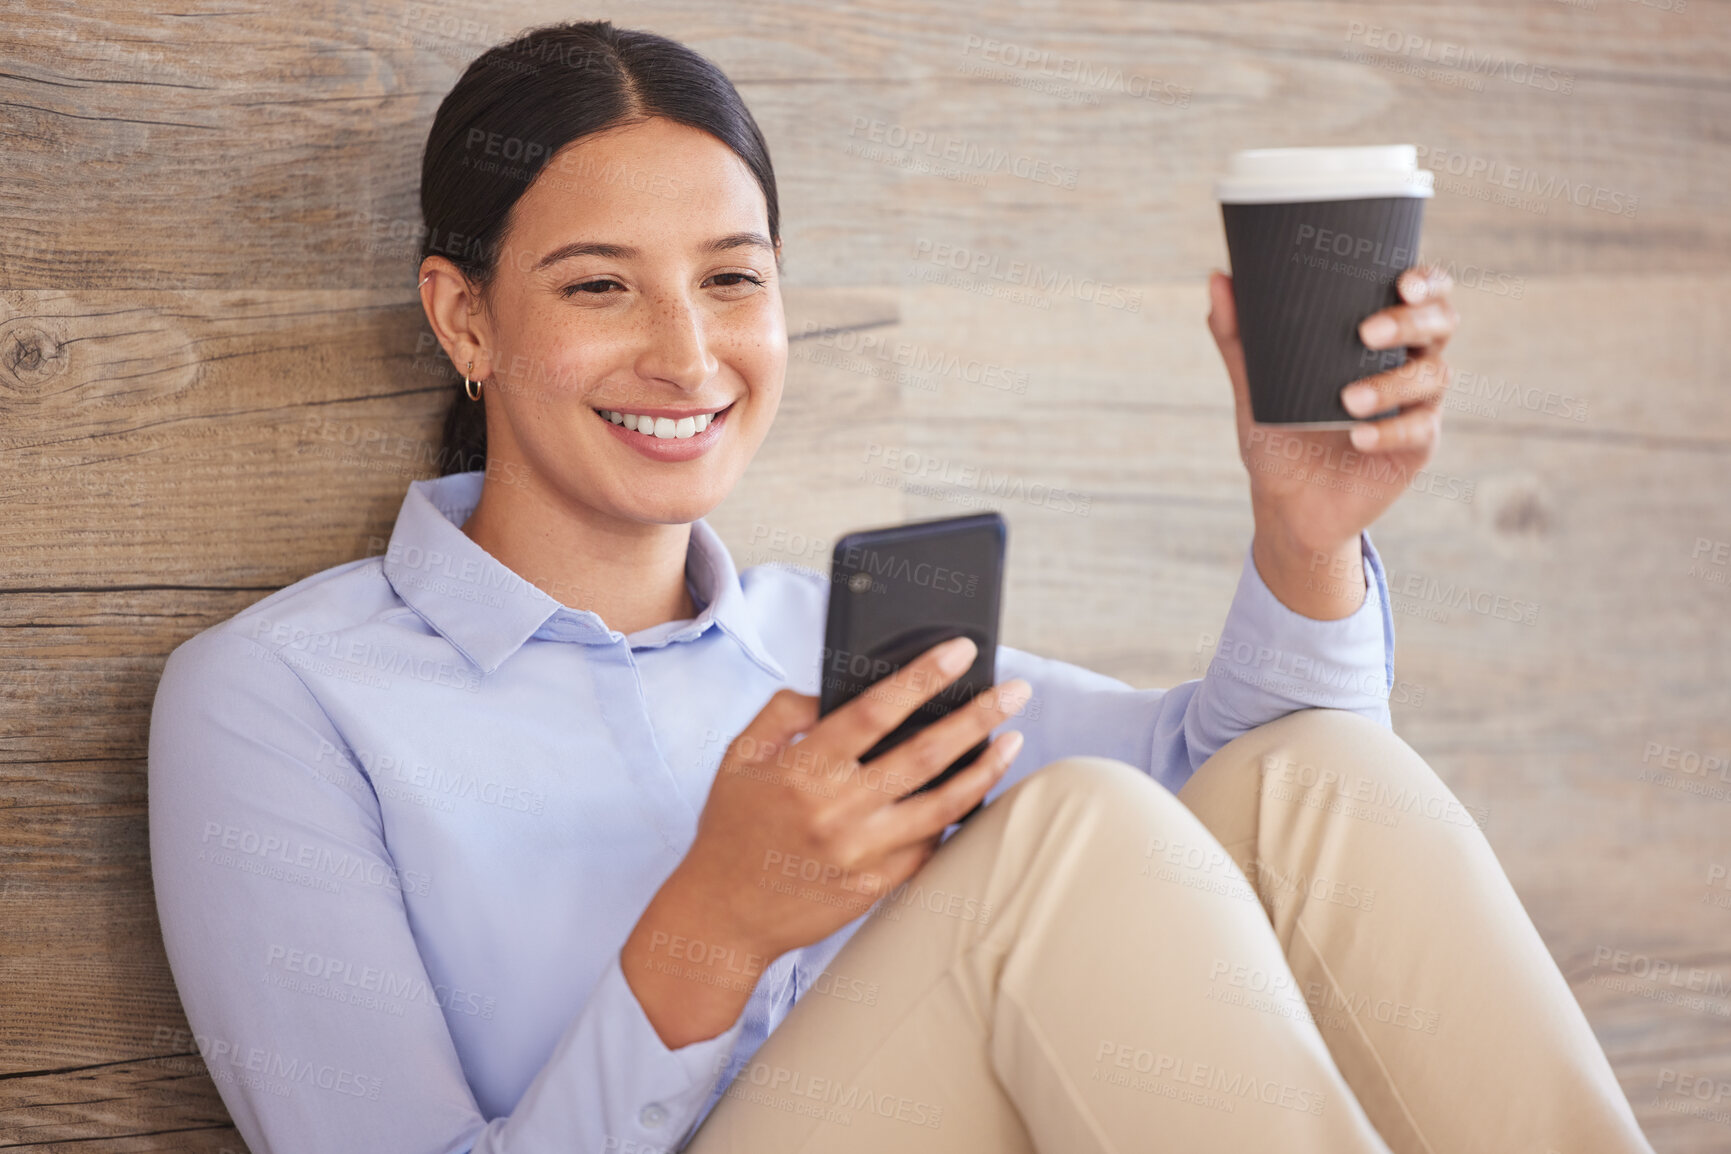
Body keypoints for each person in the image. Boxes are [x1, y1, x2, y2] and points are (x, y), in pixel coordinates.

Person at [146, 20, 1653, 1154]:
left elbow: (1248, 796)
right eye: (600, 285)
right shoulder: (282, 696)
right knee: (1069, 834)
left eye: (733, 280)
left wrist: (1308, 528)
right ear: (463, 317)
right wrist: (716, 925)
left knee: (1317, 769)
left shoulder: (826, 638)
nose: (686, 355)